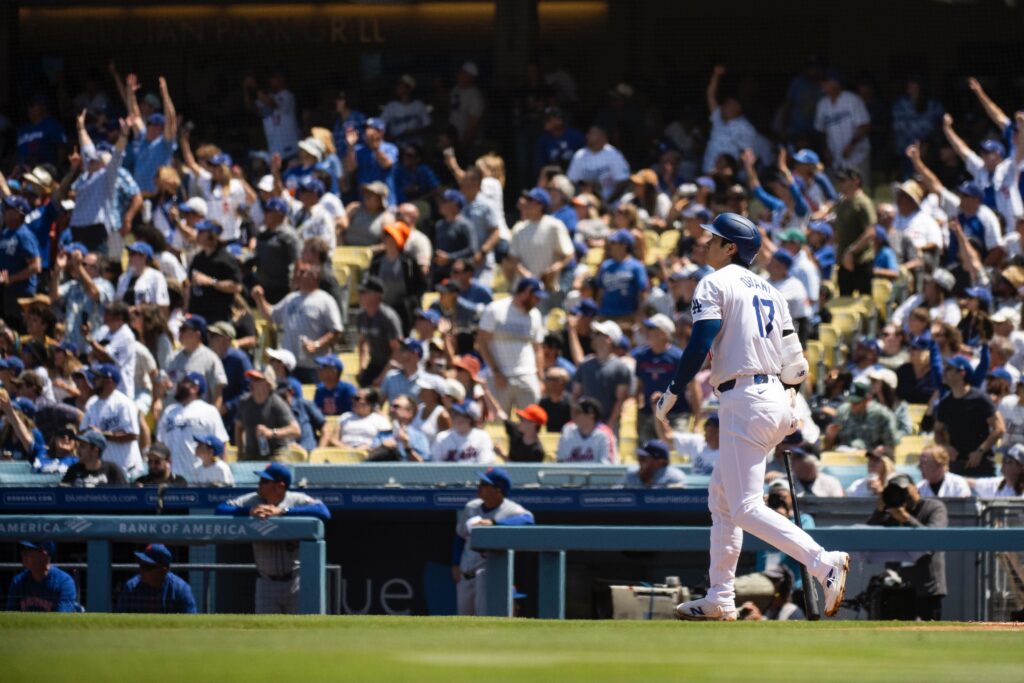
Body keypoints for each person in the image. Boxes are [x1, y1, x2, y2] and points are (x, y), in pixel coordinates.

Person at [654, 212, 849, 621]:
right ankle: (720, 598)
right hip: (771, 396)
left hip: (744, 397)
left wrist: (674, 389)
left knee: (743, 506)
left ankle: (822, 562)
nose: (705, 243)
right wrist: (785, 398)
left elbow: (701, 338)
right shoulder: (774, 292)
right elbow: (796, 367)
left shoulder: (714, 281)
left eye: (714, 239)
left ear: (730, 248)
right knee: (722, 500)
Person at [216, 462, 331, 614]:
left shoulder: (295, 499)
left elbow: (323, 511)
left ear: (280, 486)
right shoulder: (253, 500)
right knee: (265, 632)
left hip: (295, 581)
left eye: (265, 481)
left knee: (301, 630)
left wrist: (283, 511)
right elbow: (220, 509)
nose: (259, 484)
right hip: (266, 582)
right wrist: (249, 511)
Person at [453, 467, 534, 615]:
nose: (479, 487)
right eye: (480, 483)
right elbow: (460, 536)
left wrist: (495, 523)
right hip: (465, 575)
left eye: (485, 484)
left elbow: (529, 520)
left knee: (482, 619)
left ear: (498, 490)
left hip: (485, 575)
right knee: (463, 621)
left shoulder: (510, 509)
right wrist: (455, 563)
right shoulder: (471, 507)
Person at [867, 474, 948, 620]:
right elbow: (867, 538)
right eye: (896, 491)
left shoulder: (933, 507)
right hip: (895, 589)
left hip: (926, 588)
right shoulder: (889, 512)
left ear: (915, 488)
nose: (901, 495)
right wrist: (879, 511)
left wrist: (906, 519)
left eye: (904, 490)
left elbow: (933, 538)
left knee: (929, 637)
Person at [252, 261, 343, 384]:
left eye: (302, 272)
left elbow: (336, 331)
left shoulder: (325, 300)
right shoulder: (291, 298)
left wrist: (317, 344)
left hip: (315, 366)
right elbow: (271, 316)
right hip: (290, 366)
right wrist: (260, 299)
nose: (297, 275)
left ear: (314, 276)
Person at [477, 278, 546, 413]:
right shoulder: (495, 309)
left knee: (530, 422)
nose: (538, 301)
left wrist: (540, 378)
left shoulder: (536, 315)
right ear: (526, 293)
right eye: (536, 297)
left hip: (527, 375)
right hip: (499, 376)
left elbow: (538, 349)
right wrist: (496, 372)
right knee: (497, 422)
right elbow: (482, 342)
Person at [935, 356, 1004, 477]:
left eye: (949, 369)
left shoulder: (979, 398)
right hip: (956, 465)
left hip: (982, 465)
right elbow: (938, 431)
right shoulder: (945, 402)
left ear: (961, 373)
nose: (944, 372)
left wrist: (980, 451)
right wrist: (946, 446)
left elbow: (999, 428)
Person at [156, 373, 230, 483]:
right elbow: (160, 444)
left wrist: (224, 468)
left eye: (185, 382)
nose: (180, 385)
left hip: (199, 476)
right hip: (172, 477)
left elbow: (221, 442)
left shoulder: (209, 411)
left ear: (195, 388)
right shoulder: (169, 411)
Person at [505, 187, 574, 298]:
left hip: (546, 289)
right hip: (521, 289)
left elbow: (569, 253)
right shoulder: (519, 228)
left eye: (530, 201)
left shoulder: (554, 225)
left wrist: (555, 268)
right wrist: (528, 277)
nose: (526, 204)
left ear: (540, 205)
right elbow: (513, 258)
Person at [79, 364, 142, 478]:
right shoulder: (92, 403)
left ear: (109, 381)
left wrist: (101, 434)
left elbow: (133, 435)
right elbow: (82, 432)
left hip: (127, 468)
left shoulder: (124, 403)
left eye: (98, 378)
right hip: (104, 470)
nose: (93, 380)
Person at [572, 320, 632, 433]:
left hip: (609, 427)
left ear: (609, 339)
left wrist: (609, 425)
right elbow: (576, 395)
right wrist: (576, 420)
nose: (593, 336)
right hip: (583, 425)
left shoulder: (621, 368)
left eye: (598, 334)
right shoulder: (585, 366)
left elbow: (619, 401)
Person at [368, 221, 427, 334]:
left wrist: (411, 302)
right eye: (386, 236)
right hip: (382, 307)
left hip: (404, 310)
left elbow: (421, 285)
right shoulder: (377, 260)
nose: (388, 239)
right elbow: (371, 282)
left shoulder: (408, 261)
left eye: (391, 236)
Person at [702, 65, 760, 174]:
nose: (725, 107)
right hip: (708, 170)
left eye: (729, 105)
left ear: (738, 108)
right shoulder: (718, 118)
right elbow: (710, 95)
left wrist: (734, 170)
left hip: (728, 174)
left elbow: (748, 153)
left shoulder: (746, 127)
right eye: (725, 104)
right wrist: (716, 75)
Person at [814, 70, 871, 181]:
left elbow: (865, 126)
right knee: (840, 193)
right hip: (836, 157)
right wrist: (826, 150)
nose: (823, 85)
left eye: (826, 82)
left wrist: (851, 144)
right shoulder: (822, 104)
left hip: (858, 155)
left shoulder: (853, 100)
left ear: (836, 83)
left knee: (861, 188)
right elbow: (821, 131)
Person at [235, 367, 301, 461]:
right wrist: (240, 453)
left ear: (268, 384)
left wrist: (271, 432)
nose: (252, 383)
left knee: (278, 465)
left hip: (276, 453)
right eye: (252, 379)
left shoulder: (276, 403)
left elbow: (296, 430)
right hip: (251, 454)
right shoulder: (244, 403)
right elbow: (238, 428)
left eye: (257, 379)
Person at [186, 220, 242, 324]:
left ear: (212, 235)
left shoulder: (226, 259)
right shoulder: (198, 258)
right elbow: (190, 286)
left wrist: (211, 281)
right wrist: (186, 310)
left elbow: (236, 286)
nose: (197, 234)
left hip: (217, 318)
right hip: (196, 315)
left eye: (202, 232)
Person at [832, 168, 877, 296]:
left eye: (843, 180)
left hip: (861, 261)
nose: (840, 184)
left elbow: (870, 232)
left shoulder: (863, 203)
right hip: (843, 261)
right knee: (844, 299)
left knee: (864, 301)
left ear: (856, 181)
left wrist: (851, 251)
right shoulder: (842, 202)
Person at [0, 195, 42, 333]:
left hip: (22, 295)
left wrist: (11, 278)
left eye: (9, 208)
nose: (4, 211)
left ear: (19, 214)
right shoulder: (6, 233)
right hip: (7, 292)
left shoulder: (24, 235)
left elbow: (36, 266)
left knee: (18, 332)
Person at [115, 543, 196, 614]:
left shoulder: (181, 589)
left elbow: (192, 624)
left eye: (148, 567)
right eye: (141, 565)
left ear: (164, 569)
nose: (142, 570)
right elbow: (119, 622)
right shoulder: (131, 587)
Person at [822, 379, 898, 452]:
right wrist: (830, 438)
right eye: (851, 401)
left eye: (857, 402)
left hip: (872, 459)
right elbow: (828, 449)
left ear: (868, 399)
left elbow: (891, 448)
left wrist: (881, 451)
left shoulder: (882, 415)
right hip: (845, 458)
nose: (853, 405)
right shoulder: (842, 412)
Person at [244, 69, 301, 160]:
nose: (271, 81)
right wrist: (247, 89)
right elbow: (250, 107)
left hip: (291, 149)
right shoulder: (267, 97)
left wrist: (255, 86)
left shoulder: (287, 95)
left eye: (273, 78)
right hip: (275, 151)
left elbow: (270, 102)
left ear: (282, 79)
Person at [6, 541, 77, 612]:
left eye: (29, 551)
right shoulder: (18, 581)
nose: (23, 554)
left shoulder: (64, 582)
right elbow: (11, 614)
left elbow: (61, 617)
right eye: (23, 551)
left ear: (43, 555)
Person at [566, 125, 630, 203]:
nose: (587, 136)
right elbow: (572, 181)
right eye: (588, 134)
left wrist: (607, 202)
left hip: (612, 202)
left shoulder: (613, 154)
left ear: (603, 137)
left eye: (592, 134)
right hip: (586, 202)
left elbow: (623, 181)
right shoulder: (580, 155)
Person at [596, 229, 648, 321]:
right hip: (606, 316)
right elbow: (601, 292)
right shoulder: (605, 266)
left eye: (614, 243)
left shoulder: (636, 266)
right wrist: (599, 312)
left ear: (624, 245)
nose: (611, 246)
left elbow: (642, 292)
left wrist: (639, 313)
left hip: (627, 316)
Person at [367, 393, 430, 462]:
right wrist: (382, 446)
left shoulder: (418, 437)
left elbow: (422, 464)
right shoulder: (382, 434)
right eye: (391, 406)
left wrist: (407, 446)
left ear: (409, 412)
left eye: (396, 406)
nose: (391, 409)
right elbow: (369, 457)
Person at [556, 397, 617, 464]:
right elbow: (560, 461)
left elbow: (608, 465)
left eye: (578, 412)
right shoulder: (567, 431)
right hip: (570, 474)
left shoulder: (604, 435)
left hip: (595, 474)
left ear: (591, 415)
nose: (573, 414)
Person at [431, 400, 495, 463]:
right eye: (454, 413)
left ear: (470, 418)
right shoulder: (441, 437)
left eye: (459, 414)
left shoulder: (482, 437)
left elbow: (483, 464)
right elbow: (435, 465)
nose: (454, 417)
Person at [61, 429, 127, 487]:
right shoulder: (73, 470)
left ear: (95, 450)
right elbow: (61, 496)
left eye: (82, 446)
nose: (78, 450)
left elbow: (125, 496)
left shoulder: (112, 470)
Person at [620, 440, 686, 488]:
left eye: (643, 458)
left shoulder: (674, 478)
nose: (639, 461)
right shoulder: (632, 474)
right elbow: (614, 496)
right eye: (639, 457)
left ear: (660, 462)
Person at [449, 62, 486, 147]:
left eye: (464, 73)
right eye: (460, 72)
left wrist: (463, 144)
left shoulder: (475, 96)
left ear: (471, 77)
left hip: (467, 143)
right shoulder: (456, 89)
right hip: (453, 139)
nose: (459, 75)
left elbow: (473, 124)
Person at [379, 339, 423, 403]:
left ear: (415, 355)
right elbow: (378, 403)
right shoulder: (390, 376)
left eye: (403, 350)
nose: (399, 352)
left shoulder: (427, 380)